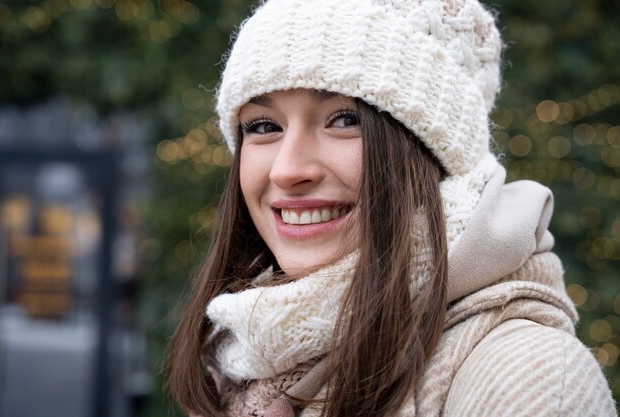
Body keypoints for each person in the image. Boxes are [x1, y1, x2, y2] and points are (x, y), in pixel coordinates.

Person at [168, 0, 616, 416]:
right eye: (264, 126)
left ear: (431, 154)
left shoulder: (525, 377)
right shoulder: (245, 362)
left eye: (345, 120)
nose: (288, 170)